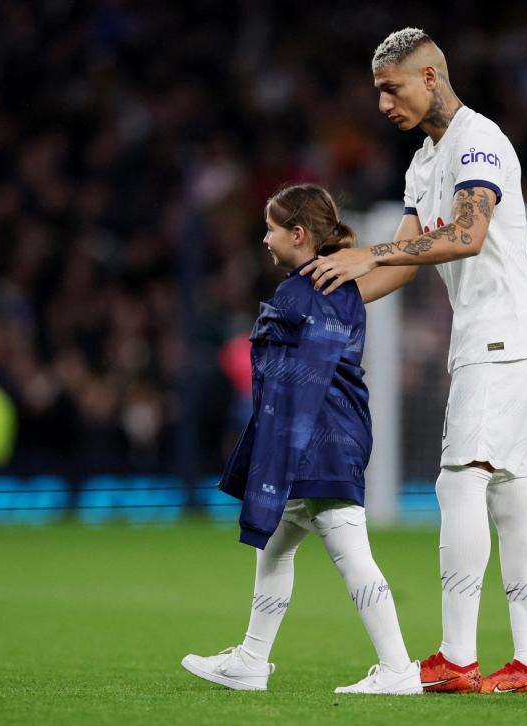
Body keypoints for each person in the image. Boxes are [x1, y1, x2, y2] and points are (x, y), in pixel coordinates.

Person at [302, 28, 527, 695]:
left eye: (391, 88)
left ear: (428, 77)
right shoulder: (425, 163)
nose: (383, 103)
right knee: (510, 495)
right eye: (377, 92)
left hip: (504, 335)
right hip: (511, 338)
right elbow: (401, 262)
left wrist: (372, 255)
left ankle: (455, 658)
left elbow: (468, 236)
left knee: (460, 483)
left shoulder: (480, 141)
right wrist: (330, 297)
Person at [181, 183, 422, 696]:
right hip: (327, 436)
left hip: (318, 442)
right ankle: (250, 658)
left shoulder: (302, 292)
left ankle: (399, 668)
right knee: (274, 547)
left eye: (271, 228)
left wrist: (277, 453)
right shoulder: (338, 287)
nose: (264, 238)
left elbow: (299, 381)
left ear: (297, 233)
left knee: (351, 552)